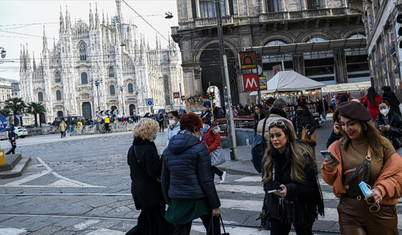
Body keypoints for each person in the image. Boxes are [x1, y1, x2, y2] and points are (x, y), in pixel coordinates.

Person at [321, 101, 402, 234]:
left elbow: (398, 176)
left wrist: (380, 190)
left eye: (351, 123)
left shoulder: (382, 145)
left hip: (380, 211)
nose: (346, 129)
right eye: (343, 124)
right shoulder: (336, 146)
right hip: (349, 212)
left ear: (363, 123)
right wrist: (329, 169)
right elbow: (330, 180)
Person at [162, 113, 221, 235]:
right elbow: (206, 180)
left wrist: (170, 200)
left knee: (180, 231)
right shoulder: (200, 149)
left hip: (178, 199)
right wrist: (215, 205)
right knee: (213, 228)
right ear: (195, 128)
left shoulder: (168, 151)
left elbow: (165, 179)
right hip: (199, 198)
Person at [262, 120, 324, 235]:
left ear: (288, 136)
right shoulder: (269, 157)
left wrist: (288, 189)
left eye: (278, 135)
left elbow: (309, 186)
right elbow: (266, 183)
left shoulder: (301, 155)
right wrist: (273, 189)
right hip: (278, 207)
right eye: (272, 136)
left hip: (300, 207)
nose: (275, 139)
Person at [126, 118, 174, 235]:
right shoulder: (146, 148)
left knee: (147, 221)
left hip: (140, 190)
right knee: (157, 223)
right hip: (151, 193)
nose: (156, 133)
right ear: (149, 131)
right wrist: (163, 159)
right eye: (155, 130)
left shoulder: (133, 148)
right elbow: (155, 170)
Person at [200, 117, 226, 183]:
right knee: (209, 165)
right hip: (205, 151)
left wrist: (209, 149)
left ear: (206, 123)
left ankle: (212, 180)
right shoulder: (202, 131)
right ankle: (220, 174)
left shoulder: (213, 130)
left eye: (202, 123)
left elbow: (217, 140)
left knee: (210, 165)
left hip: (211, 150)